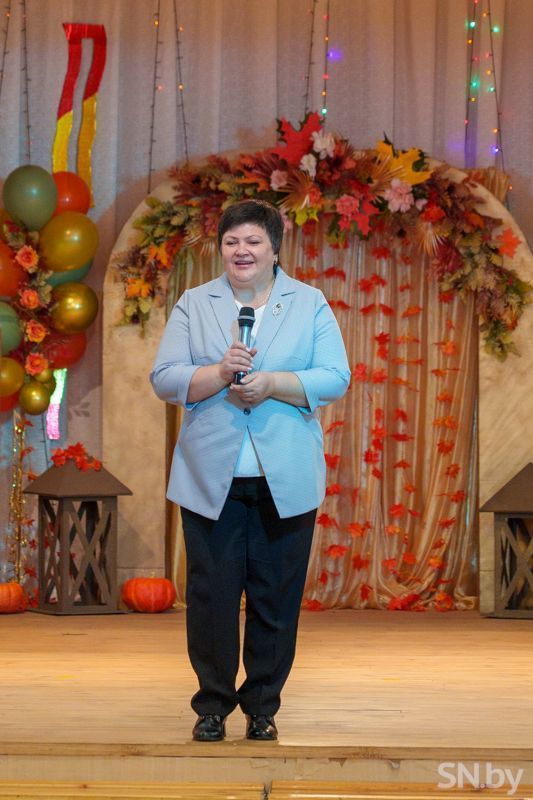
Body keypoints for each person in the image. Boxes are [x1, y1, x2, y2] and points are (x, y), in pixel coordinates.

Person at [150, 199, 350, 742]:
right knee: (212, 600)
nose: (242, 251)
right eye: (232, 241)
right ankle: (212, 705)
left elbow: (335, 376)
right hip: (209, 479)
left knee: (275, 599)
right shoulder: (195, 303)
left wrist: (274, 384)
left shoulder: (309, 303)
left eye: (253, 241)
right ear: (220, 249)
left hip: (284, 478)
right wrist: (218, 373)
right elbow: (164, 377)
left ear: (274, 249)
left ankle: (263, 706)